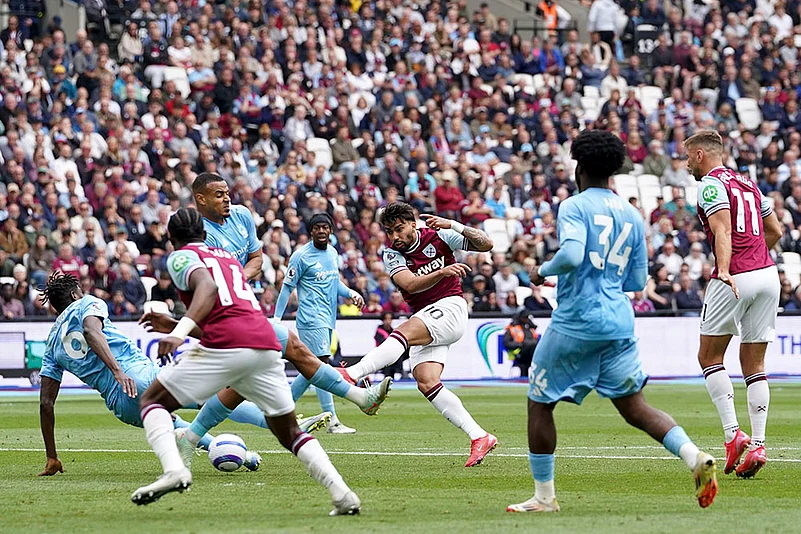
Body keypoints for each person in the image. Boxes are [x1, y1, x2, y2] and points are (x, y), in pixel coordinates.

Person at [507, 130, 717, 513]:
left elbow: (570, 255)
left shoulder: (575, 206)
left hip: (577, 320)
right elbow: (637, 282)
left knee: (540, 403)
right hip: (619, 320)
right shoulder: (632, 214)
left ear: (580, 167)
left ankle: (543, 497)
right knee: (635, 406)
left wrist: (541, 271)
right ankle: (694, 457)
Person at [131, 209, 361, 515]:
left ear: (172, 239)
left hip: (228, 345)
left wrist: (178, 332)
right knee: (290, 432)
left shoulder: (180, 257)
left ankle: (174, 470)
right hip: (264, 344)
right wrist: (174, 323)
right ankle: (343, 495)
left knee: (151, 401)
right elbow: (229, 315)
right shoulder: (227, 258)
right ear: (204, 232)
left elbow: (207, 289)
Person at [165, 174, 390, 450]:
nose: (227, 198)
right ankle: (355, 399)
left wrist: (235, 279)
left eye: (227, 192)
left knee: (238, 387)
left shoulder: (242, 216)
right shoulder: (197, 233)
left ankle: (189, 439)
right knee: (291, 351)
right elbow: (198, 282)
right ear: (200, 199)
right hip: (222, 317)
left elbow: (257, 259)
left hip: (242, 309)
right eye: (219, 194)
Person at [36, 271, 308, 477]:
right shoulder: (86, 304)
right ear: (74, 295)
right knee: (216, 397)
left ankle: (244, 457)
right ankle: (285, 422)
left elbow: (46, 404)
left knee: (181, 428)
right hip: (138, 376)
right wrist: (118, 371)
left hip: (121, 405)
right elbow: (91, 331)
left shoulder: (51, 345)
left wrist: (52, 456)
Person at [337, 202, 498, 467]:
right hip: (427, 315)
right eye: (389, 232)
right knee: (426, 381)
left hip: (450, 306)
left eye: (399, 229)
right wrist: (442, 270)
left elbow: (486, 245)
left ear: (413, 223)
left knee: (402, 332)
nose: (395, 237)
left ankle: (353, 374)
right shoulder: (391, 255)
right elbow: (409, 283)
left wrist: (455, 225)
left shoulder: (439, 235)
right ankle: (479, 436)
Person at [685, 130, 783, 479]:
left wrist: (725, 269)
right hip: (767, 275)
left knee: (709, 356)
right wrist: (756, 255)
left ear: (700, 155)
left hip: (735, 276)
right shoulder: (748, 182)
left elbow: (723, 230)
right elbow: (775, 231)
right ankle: (758, 443)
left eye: (687, 157)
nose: (686, 165)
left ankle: (732, 435)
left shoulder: (711, 185)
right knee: (753, 363)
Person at [274, 212, 380, 434]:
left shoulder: (332, 253)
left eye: (325, 227)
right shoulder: (301, 256)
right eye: (317, 228)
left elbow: (334, 283)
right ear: (311, 231)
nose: (321, 231)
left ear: (331, 230)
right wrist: (276, 318)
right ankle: (332, 421)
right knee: (321, 366)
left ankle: (280, 410)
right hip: (311, 318)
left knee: (310, 369)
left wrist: (351, 292)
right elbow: (287, 288)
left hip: (327, 318)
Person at [502, 313, 539, 377]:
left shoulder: (530, 329)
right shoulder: (512, 328)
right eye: (525, 318)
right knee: (530, 345)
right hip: (518, 353)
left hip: (530, 353)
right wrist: (520, 344)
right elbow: (506, 343)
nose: (526, 319)